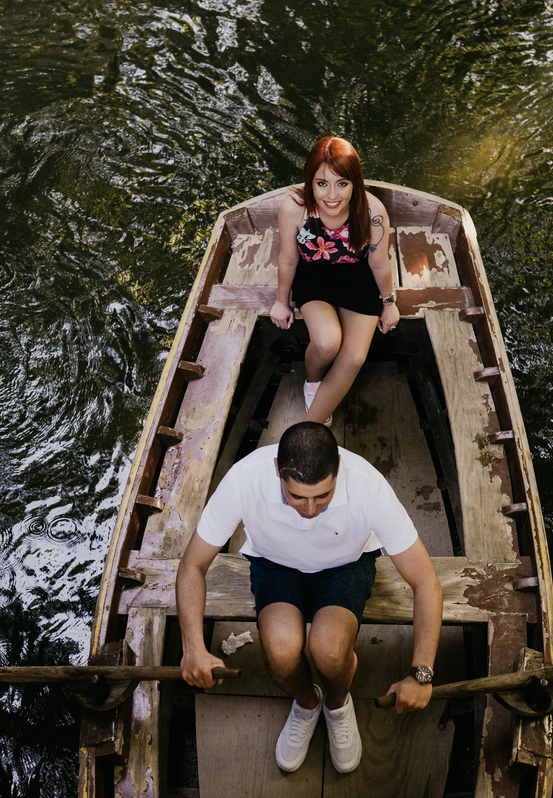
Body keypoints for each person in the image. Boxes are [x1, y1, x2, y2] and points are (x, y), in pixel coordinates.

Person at [178, 422, 442, 774]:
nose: (310, 510)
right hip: (276, 564)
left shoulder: (370, 487)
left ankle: (336, 704)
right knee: (281, 651)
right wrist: (193, 646)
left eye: (323, 496)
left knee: (330, 651)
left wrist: (421, 674)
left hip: (345, 565)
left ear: (338, 469)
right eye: (297, 497)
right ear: (277, 471)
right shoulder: (244, 480)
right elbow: (192, 565)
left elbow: (425, 582)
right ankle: (307, 703)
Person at [269, 136, 399, 425]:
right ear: (310, 182)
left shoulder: (372, 212)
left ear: (355, 183)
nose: (332, 195)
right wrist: (281, 301)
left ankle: (307, 428)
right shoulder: (295, 208)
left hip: (357, 277)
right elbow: (288, 258)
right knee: (327, 342)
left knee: (353, 357)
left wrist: (389, 303)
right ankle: (313, 382)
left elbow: (379, 262)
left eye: (342, 183)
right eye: (321, 183)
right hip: (314, 274)